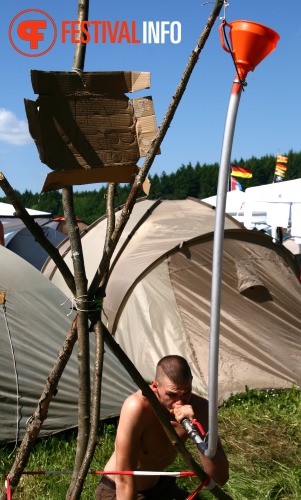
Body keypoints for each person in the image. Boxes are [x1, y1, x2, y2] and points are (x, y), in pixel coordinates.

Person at [96, 355, 229, 499]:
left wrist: (196, 427)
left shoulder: (200, 408)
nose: (179, 402)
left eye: (186, 393)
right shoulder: (137, 407)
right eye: (172, 395)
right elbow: (124, 477)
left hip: (158, 487)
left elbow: (220, 478)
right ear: (155, 386)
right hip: (118, 489)